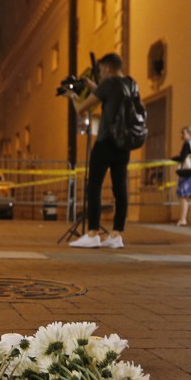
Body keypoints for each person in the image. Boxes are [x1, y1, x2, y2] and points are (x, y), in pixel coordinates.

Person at [64, 53, 136, 249]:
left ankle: (93, 232)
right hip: (124, 143)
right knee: (120, 188)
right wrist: (88, 84)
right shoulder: (130, 84)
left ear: (108, 68)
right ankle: (116, 234)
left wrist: (72, 95)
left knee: (94, 186)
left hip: (105, 142)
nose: (101, 73)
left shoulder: (108, 83)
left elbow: (82, 108)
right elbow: (107, 95)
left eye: (102, 69)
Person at [173, 126, 191, 226]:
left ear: (189, 134)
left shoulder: (187, 144)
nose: (182, 136)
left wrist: (172, 158)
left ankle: (183, 219)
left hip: (187, 172)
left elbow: (182, 157)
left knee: (183, 195)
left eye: (183, 133)